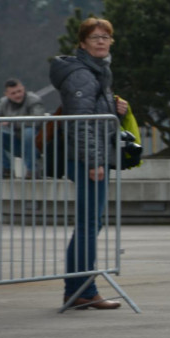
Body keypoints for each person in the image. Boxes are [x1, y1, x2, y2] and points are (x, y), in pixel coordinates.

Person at [49, 18, 129, 310]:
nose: (101, 42)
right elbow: (81, 124)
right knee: (88, 225)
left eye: (106, 37)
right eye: (94, 37)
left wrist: (116, 109)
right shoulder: (82, 75)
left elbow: (96, 117)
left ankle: (79, 289)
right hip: (87, 160)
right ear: (82, 43)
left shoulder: (98, 72)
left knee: (91, 224)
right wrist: (94, 161)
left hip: (91, 158)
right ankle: (83, 290)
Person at [0, 78, 45, 179]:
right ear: (7, 94)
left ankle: (32, 170)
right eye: (13, 93)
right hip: (18, 142)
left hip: (36, 144)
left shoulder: (34, 100)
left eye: (19, 91)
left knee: (28, 132)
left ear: (23, 89)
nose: (18, 95)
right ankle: (7, 169)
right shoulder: (4, 103)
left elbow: (37, 120)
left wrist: (10, 121)